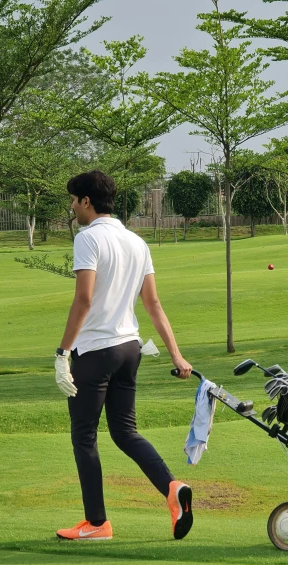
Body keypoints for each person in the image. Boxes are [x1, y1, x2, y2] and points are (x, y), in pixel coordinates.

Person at [54, 170, 193, 542]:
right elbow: (153, 303)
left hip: (96, 351)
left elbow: (83, 299)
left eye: (73, 200)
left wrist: (62, 352)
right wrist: (176, 355)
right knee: (125, 431)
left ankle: (97, 523)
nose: (72, 207)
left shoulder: (87, 238)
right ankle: (172, 487)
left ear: (86, 201)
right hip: (130, 349)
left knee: (84, 436)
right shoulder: (136, 241)